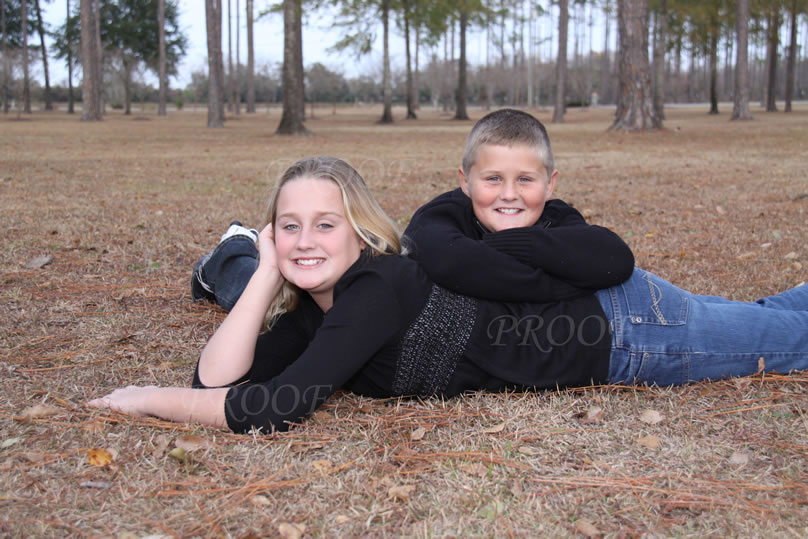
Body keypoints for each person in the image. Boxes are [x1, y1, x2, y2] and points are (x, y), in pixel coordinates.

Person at [88, 156, 808, 434]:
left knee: (789, 341)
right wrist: (266, 276)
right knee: (774, 317)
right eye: (290, 226)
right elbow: (216, 383)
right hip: (623, 324)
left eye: (325, 224)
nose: (307, 240)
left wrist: (147, 398)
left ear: (358, 232)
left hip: (631, 332)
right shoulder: (316, 310)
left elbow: (277, 407)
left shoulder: (375, 287)